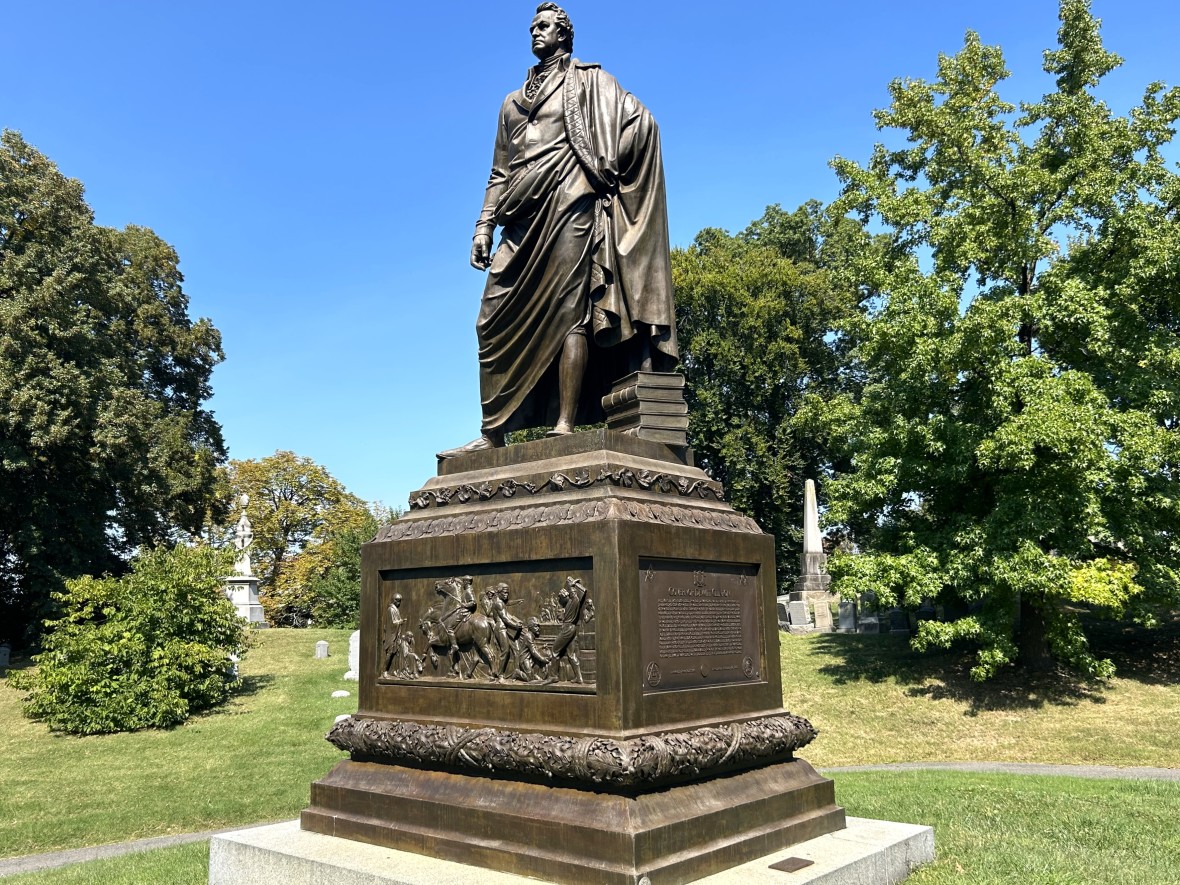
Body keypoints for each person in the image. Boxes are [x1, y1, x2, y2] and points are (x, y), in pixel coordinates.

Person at [438, 2, 677, 458]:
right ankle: (493, 431)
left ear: (564, 33)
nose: (535, 33)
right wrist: (483, 225)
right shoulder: (512, 102)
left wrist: (602, 164)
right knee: (488, 321)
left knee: (572, 312)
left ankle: (564, 425)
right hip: (520, 220)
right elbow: (498, 172)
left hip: (570, 204)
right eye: (532, 27)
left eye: (544, 26)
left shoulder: (589, 82)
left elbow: (640, 120)